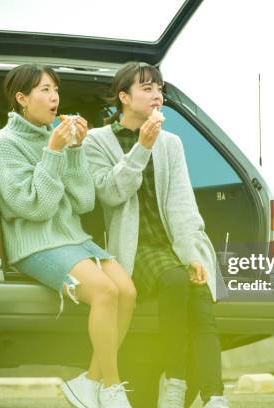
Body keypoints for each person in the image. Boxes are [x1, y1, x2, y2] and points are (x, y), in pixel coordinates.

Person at [0, 63, 136, 408]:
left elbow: (83, 202)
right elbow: (33, 208)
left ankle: (91, 381)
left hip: (73, 237)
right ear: (22, 98)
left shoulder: (57, 137)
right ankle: (112, 389)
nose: (54, 97)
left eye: (56, 90)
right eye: (44, 90)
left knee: (126, 292)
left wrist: (74, 150)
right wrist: (54, 151)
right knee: (104, 292)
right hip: (35, 243)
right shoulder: (3, 143)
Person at [83, 62, 229, 408]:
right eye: (147, 88)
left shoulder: (172, 143)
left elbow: (182, 204)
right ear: (124, 97)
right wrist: (141, 148)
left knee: (200, 297)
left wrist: (193, 254)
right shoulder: (96, 142)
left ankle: (215, 397)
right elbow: (109, 194)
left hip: (174, 244)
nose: (157, 95)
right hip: (134, 248)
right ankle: (175, 379)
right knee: (175, 280)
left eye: (159, 88)